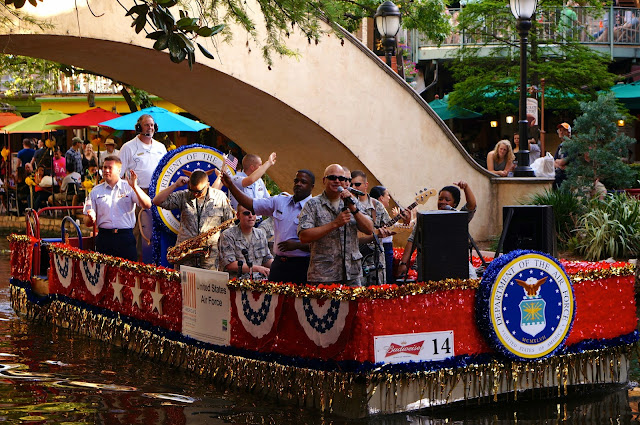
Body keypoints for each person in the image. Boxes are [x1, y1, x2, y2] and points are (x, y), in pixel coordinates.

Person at [221, 168, 314, 283]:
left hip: (302, 265)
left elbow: (322, 244)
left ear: (312, 186)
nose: (298, 184)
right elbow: (251, 204)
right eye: (296, 181)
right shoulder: (280, 201)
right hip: (279, 264)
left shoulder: (315, 208)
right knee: (274, 300)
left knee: (298, 301)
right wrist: (231, 185)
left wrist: (297, 245)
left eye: (303, 182)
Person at [298, 164, 374, 286]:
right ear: (324, 180)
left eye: (341, 178)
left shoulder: (353, 202)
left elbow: (369, 229)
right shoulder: (313, 205)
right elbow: (304, 236)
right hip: (323, 275)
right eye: (332, 177)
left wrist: (353, 208)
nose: (337, 181)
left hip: (352, 275)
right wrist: (334, 224)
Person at [153, 169, 235, 269]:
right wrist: (175, 185)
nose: (195, 194)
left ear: (208, 185)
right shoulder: (184, 195)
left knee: (208, 283)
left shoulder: (220, 197)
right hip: (185, 253)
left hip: (210, 255)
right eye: (192, 190)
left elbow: (229, 225)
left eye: (199, 191)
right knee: (183, 283)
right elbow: (157, 201)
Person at [396, 181, 477, 279]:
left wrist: (466, 187)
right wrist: (403, 263)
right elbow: (412, 240)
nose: (442, 202)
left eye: (447, 200)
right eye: (440, 199)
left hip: (454, 263)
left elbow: (472, 205)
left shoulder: (458, 217)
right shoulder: (426, 218)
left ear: (454, 204)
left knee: (472, 278)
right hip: (429, 265)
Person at [83, 156, 152, 262]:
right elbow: (86, 222)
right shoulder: (96, 191)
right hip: (104, 237)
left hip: (125, 237)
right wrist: (90, 218)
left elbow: (147, 204)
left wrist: (135, 187)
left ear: (119, 170)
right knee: (104, 274)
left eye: (110, 168)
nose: (106, 170)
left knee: (128, 274)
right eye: (104, 167)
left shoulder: (129, 187)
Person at [119, 114, 167, 260]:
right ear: (139, 127)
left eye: (152, 125)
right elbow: (120, 173)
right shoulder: (128, 147)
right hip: (138, 191)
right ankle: (136, 260)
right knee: (138, 228)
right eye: (147, 125)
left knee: (159, 226)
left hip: (158, 191)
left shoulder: (161, 147)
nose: (150, 128)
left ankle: (157, 258)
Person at [350, 170, 394, 285]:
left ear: (366, 185)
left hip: (375, 260)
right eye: (351, 184)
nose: (353, 187)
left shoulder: (376, 205)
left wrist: (406, 222)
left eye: (357, 184)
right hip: (355, 260)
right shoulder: (346, 204)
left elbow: (390, 225)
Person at [218, 205, 274, 280]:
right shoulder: (228, 235)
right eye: (246, 213)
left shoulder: (260, 234)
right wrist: (257, 268)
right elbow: (229, 264)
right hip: (235, 283)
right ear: (238, 215)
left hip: (258, 281)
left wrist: (280, 267)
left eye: (253, 213)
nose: (251, 216)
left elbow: (266, 259)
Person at [554, 122, 572, 189]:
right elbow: (553, 162)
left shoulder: (571, 145)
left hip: (568, 176)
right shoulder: (560, 146)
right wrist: (559, 165)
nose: (561, 132)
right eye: (560, 130)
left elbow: (563, 161)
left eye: (564, 130)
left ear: (568, 133)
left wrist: (559, 162)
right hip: (559, 174)